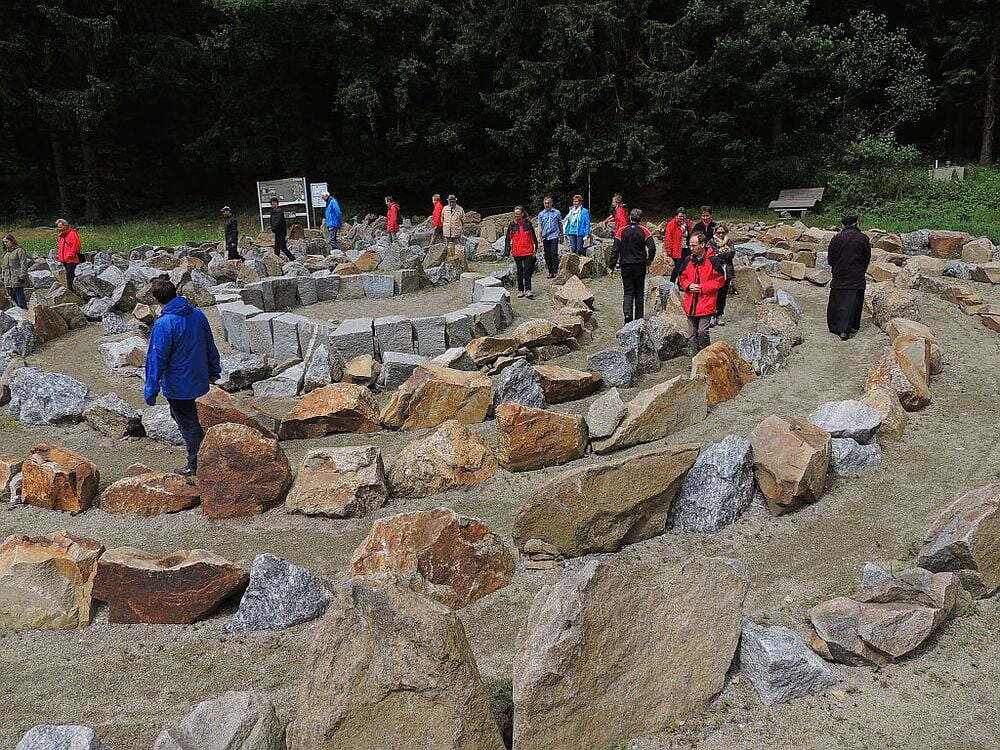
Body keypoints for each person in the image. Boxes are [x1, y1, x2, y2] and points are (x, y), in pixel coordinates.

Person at [144, 278, 222, 476]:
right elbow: (209, 343)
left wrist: (151, 389)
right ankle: (202, 453)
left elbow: (156, 358)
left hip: (179, 384)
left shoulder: (164, 324)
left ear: (156, 299)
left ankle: (196, 463)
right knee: (185, 417)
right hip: (199, 377)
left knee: (188, 424)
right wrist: (214, 369)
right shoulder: (197, 314)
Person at [676, 232, 726, 355]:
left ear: (702, 245)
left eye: (694, 245)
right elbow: (681, 278)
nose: (691, 248)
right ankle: (695, 358)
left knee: (702, 331)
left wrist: (702, 288)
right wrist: (688, 285)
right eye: (690, 245)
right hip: (690, 303)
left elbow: (720, 281)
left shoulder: (713, 261)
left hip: (706, 302)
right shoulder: (688, 260)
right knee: (692, 334)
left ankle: (707, 357)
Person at [827, 215, 871, 340]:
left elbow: (830, 259)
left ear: (843, 225)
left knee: (838, 302)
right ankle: (849, 328)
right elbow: (867, 258)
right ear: (856, 224)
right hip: (856, 276)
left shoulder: (837, 238)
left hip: (839, 276)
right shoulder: (863, 238)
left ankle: (837, 327)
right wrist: (861, 270)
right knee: (853, 302)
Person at [609, 208, 656, 323]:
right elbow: (652, 247)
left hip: (625, 265)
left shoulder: (621, 230)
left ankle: (627, 314)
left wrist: (611, 266)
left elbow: (615, 250)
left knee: (628, 291)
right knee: (639, 292)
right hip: (640, 265)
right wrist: (649, 260)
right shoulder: (644, 231)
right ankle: (639, 319)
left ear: (629, 217)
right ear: (641, 219)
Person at [505, 206, 539, 298]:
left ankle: (528, 290)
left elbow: (533, 237)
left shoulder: (528, 224)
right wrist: (507, 251)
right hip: (517, 252)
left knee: (527, 270)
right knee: (519, 271)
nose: (516, 215)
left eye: (518, 214)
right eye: (515, 214)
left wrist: (535, 249)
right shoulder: (512, 225)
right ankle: (520, 290)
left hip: (528, 251)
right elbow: (508, 239)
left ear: (522, 214)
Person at [708, 222, 736, 327]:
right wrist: (722, 254)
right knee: (713, 293)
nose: (721, 234)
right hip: (715, 271)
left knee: (723, 294)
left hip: (726, 271)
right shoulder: (711, 242)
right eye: (719, 232)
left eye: (723, 232)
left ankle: (720, 314)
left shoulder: (729, 241)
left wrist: (720, 254)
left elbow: (731, 254)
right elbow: (711, 255)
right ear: (715, 232)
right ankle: (712, 314)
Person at [1, 233, 30, 309]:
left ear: (12, 241)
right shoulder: (6, 253)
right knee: (11, 296)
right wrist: (3, 276)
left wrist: (22, 276)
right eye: (4, 242)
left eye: (7, 241)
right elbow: (4, 267)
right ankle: (19, 311)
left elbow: (23, 264)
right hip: (8, 279)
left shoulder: (19, 251)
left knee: (19, 296)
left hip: (17, 277)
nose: (5, 244)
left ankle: (24, 310)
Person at [537, 196, 562, 278]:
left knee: (554, 253)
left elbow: (560, 224)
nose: (547, 205)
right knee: (547, 254)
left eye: (548, 203)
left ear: (551, 203)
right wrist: (539, 236)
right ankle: (550, 271)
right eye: (545, 203)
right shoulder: (541, 214)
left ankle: (555, 271)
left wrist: (562, 235)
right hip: (545, 236)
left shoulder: (557, 212)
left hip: (554, 235)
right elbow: (540, 225)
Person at [664, 207, 692, 282]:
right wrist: (669, 251)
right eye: (680, 216)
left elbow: (691, 235)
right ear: (676, 216)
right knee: (678, 267)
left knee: (687, 266)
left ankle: (682, 283)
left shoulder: (688, 223)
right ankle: (672, 282)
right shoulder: (671, 224)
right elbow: (668, 238)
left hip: (687, 248)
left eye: (683, 216)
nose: (682, 218)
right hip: (677, 250)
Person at [55, 218, 81, 291]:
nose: (59, 228)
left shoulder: (72, 234)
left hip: (71, 259)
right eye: (58, 227)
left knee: (70, 275)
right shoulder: (61, 235)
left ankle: (71, 289)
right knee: (68, 275)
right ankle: (70, 289)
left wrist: (71, 254)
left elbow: (76, 246)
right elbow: (60, 247)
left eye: (60, 227)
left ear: (65, 226)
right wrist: (59, 256)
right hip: (64, 259)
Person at [441, 194, 465, 262]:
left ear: (455, 201)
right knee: (447, 246)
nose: (451, 203)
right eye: (450, 202)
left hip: (456, 231)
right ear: (448, 201)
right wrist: (445, 226)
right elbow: (442, 218)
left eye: (453, 202)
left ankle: (459, 261)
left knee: (457, 246)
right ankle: (447, 260)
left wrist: (461, 228)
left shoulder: (460, 209)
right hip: (447, 231)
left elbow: (463, 219)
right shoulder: (445, 209)